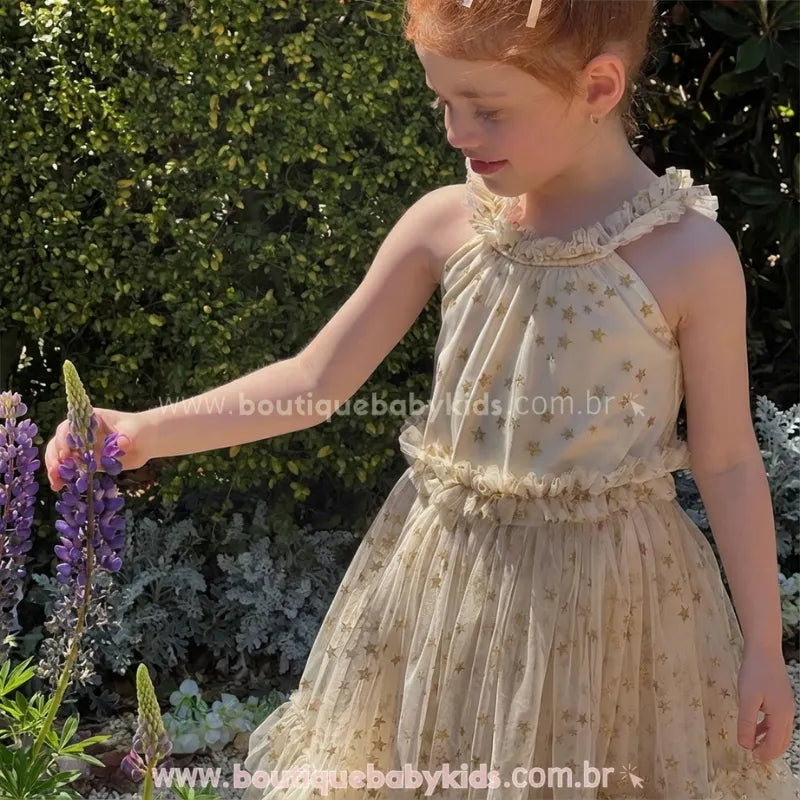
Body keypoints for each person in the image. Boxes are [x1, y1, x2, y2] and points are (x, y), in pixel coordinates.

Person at [44, 0, 800, 797]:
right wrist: (144, 431)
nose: (456, 131)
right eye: (444, 101)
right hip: (446, 600)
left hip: (615, 613)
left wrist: (761, 644)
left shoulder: (688, 256)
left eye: (487, 108)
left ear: (600, 87)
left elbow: (724, 459)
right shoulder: (446, 225)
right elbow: (312, 383)